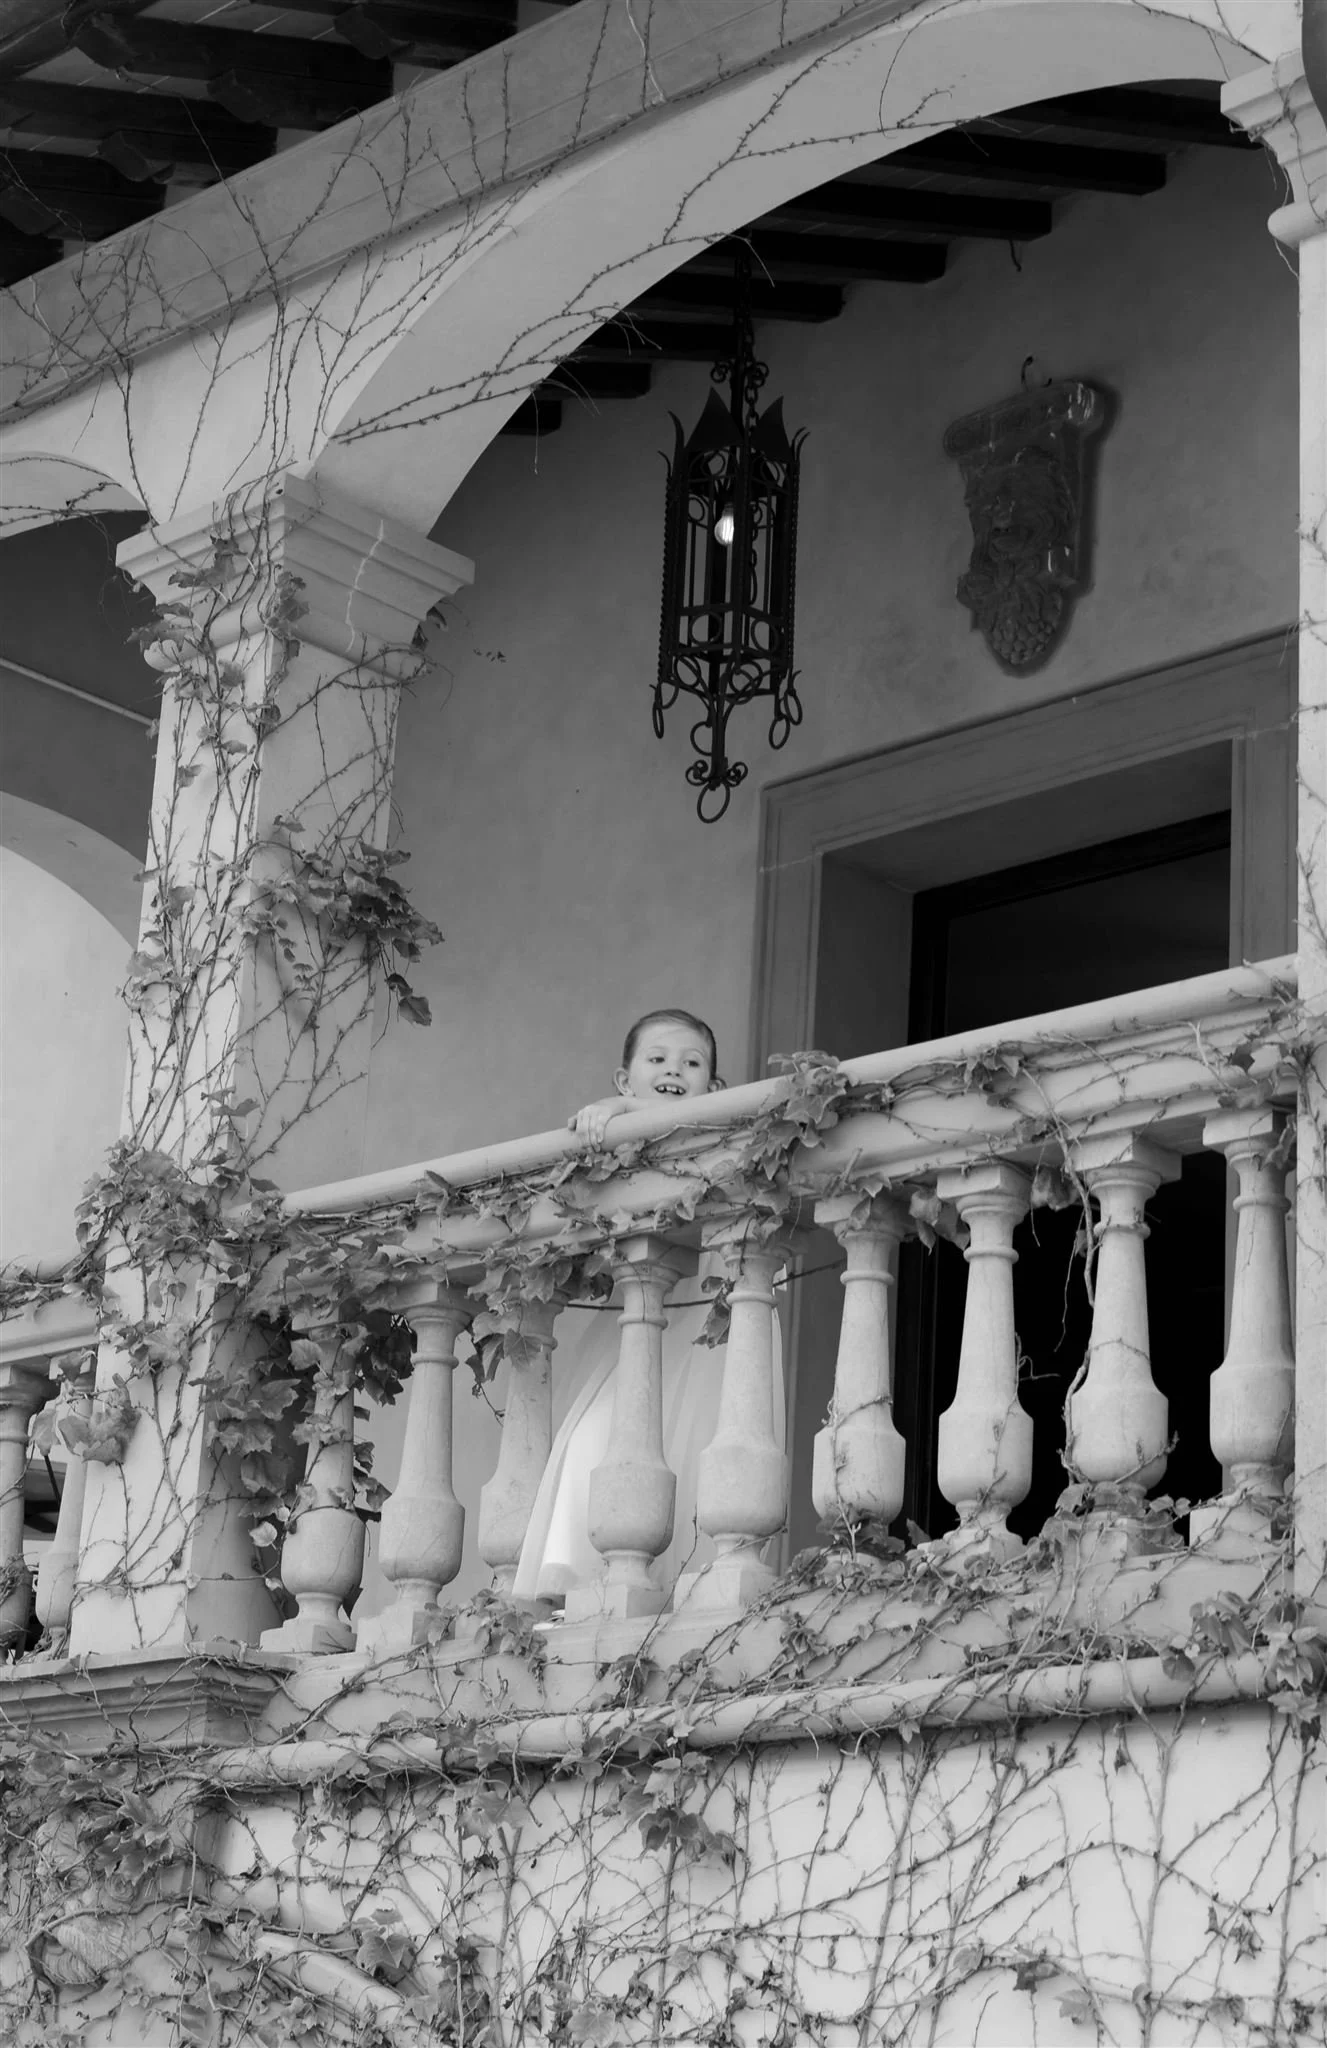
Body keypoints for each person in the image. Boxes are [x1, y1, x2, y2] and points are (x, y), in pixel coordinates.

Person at [511, 1010, 785, 1606]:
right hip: (647, 1313)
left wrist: (618, 1111)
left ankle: (679, 1592)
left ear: (714, 1088)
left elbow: (696, 1123)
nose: (673, 1071)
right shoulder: (616, 1148)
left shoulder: (717, 1125)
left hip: (712, 1310)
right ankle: (583, 1582)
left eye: (691, 1063)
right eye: (657, 1060)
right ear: (624, 1075)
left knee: (705, 1440)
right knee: (602, 1438)